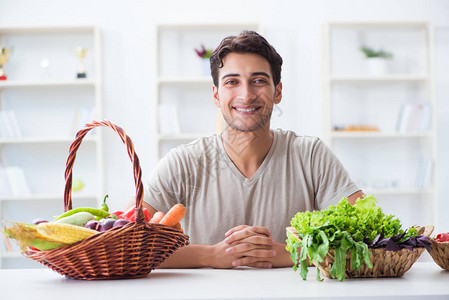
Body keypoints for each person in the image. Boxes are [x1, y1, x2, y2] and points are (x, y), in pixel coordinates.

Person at [141, 30, 364, 268]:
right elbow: (128, 244)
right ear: (216, 95)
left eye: (258, 81)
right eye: (232, 82)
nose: (246, 95)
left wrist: (292, 252)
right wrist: (209, 255)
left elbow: (365, 237)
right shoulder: (183, 162)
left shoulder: (311, 155)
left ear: (277, 92)